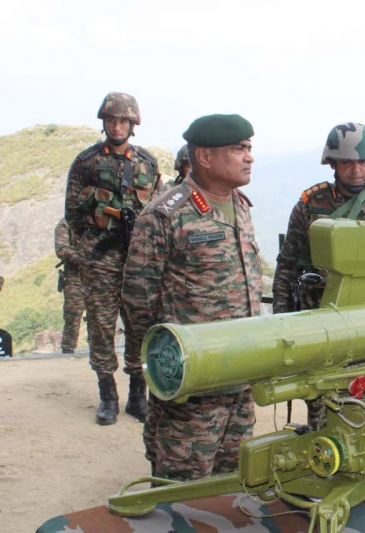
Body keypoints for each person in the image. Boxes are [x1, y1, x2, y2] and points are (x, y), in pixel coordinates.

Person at [122, 114, 262, 480]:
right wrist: (160, 372)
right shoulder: (164, 216)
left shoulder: (242, 207)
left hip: (241, 374)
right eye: (238, 149)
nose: (249, 157)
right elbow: (139, 300)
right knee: (182, 485)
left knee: (233, 482)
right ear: (204, 157)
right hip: (192, 386)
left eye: (249, 148)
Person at [272, 122, 365, 428]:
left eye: (362, 162)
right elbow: (287, 266)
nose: (356, 170)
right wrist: (281, 321)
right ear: (333, 164)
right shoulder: (310, 206)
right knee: (322, 399)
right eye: (348, 162)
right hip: (322, 321)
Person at [64, 92, 160, 425]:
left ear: (133, 124)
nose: (117, 126)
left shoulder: (147, 163)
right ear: (104, 122)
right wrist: (95, 235)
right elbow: (72, 214)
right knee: (102, 328)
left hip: (138, 260)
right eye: (112, 120)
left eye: (123, 120)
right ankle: (108, 395)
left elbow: (158, 213)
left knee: (140, 327)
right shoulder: (86, 162)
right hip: (101, 257)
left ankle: (138, 395)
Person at [54, 218, 85, 353]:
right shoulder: (66, 223)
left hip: (100, 277)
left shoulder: (97, 220)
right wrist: (83, 258)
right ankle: (67, 350)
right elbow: (61, 249)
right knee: (72, 316)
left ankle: (101, 352)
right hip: (75, 278)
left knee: (101, 317)